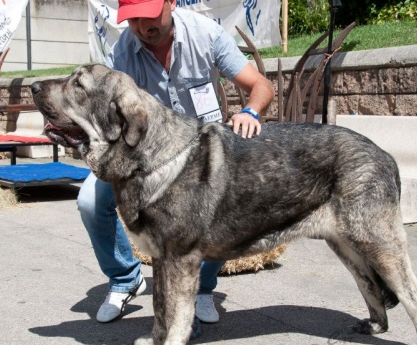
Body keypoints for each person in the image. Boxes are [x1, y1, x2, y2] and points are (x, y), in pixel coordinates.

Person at [78, 0, 275, 324]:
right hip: (142, 154)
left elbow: (260, 86)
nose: (143, 27)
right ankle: (125, 279)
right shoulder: (124, 52)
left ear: (170, 2)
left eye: (150, 15)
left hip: (200, 154)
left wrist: (250, 111)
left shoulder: (206, 35)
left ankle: (203, 288)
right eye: (134, 20)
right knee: (89, 201)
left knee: (223, 203)